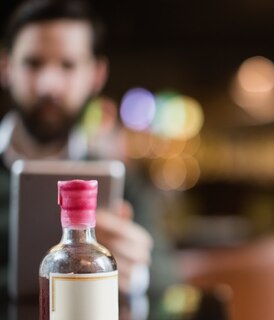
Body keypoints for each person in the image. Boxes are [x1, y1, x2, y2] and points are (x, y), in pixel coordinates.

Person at [0, 0, 174, 298]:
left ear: (96, 75)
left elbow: (167, 277)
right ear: (5, 68)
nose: (49, 85)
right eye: (33, 63)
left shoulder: (118, 179)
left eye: (68, 65)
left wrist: (135, 271)